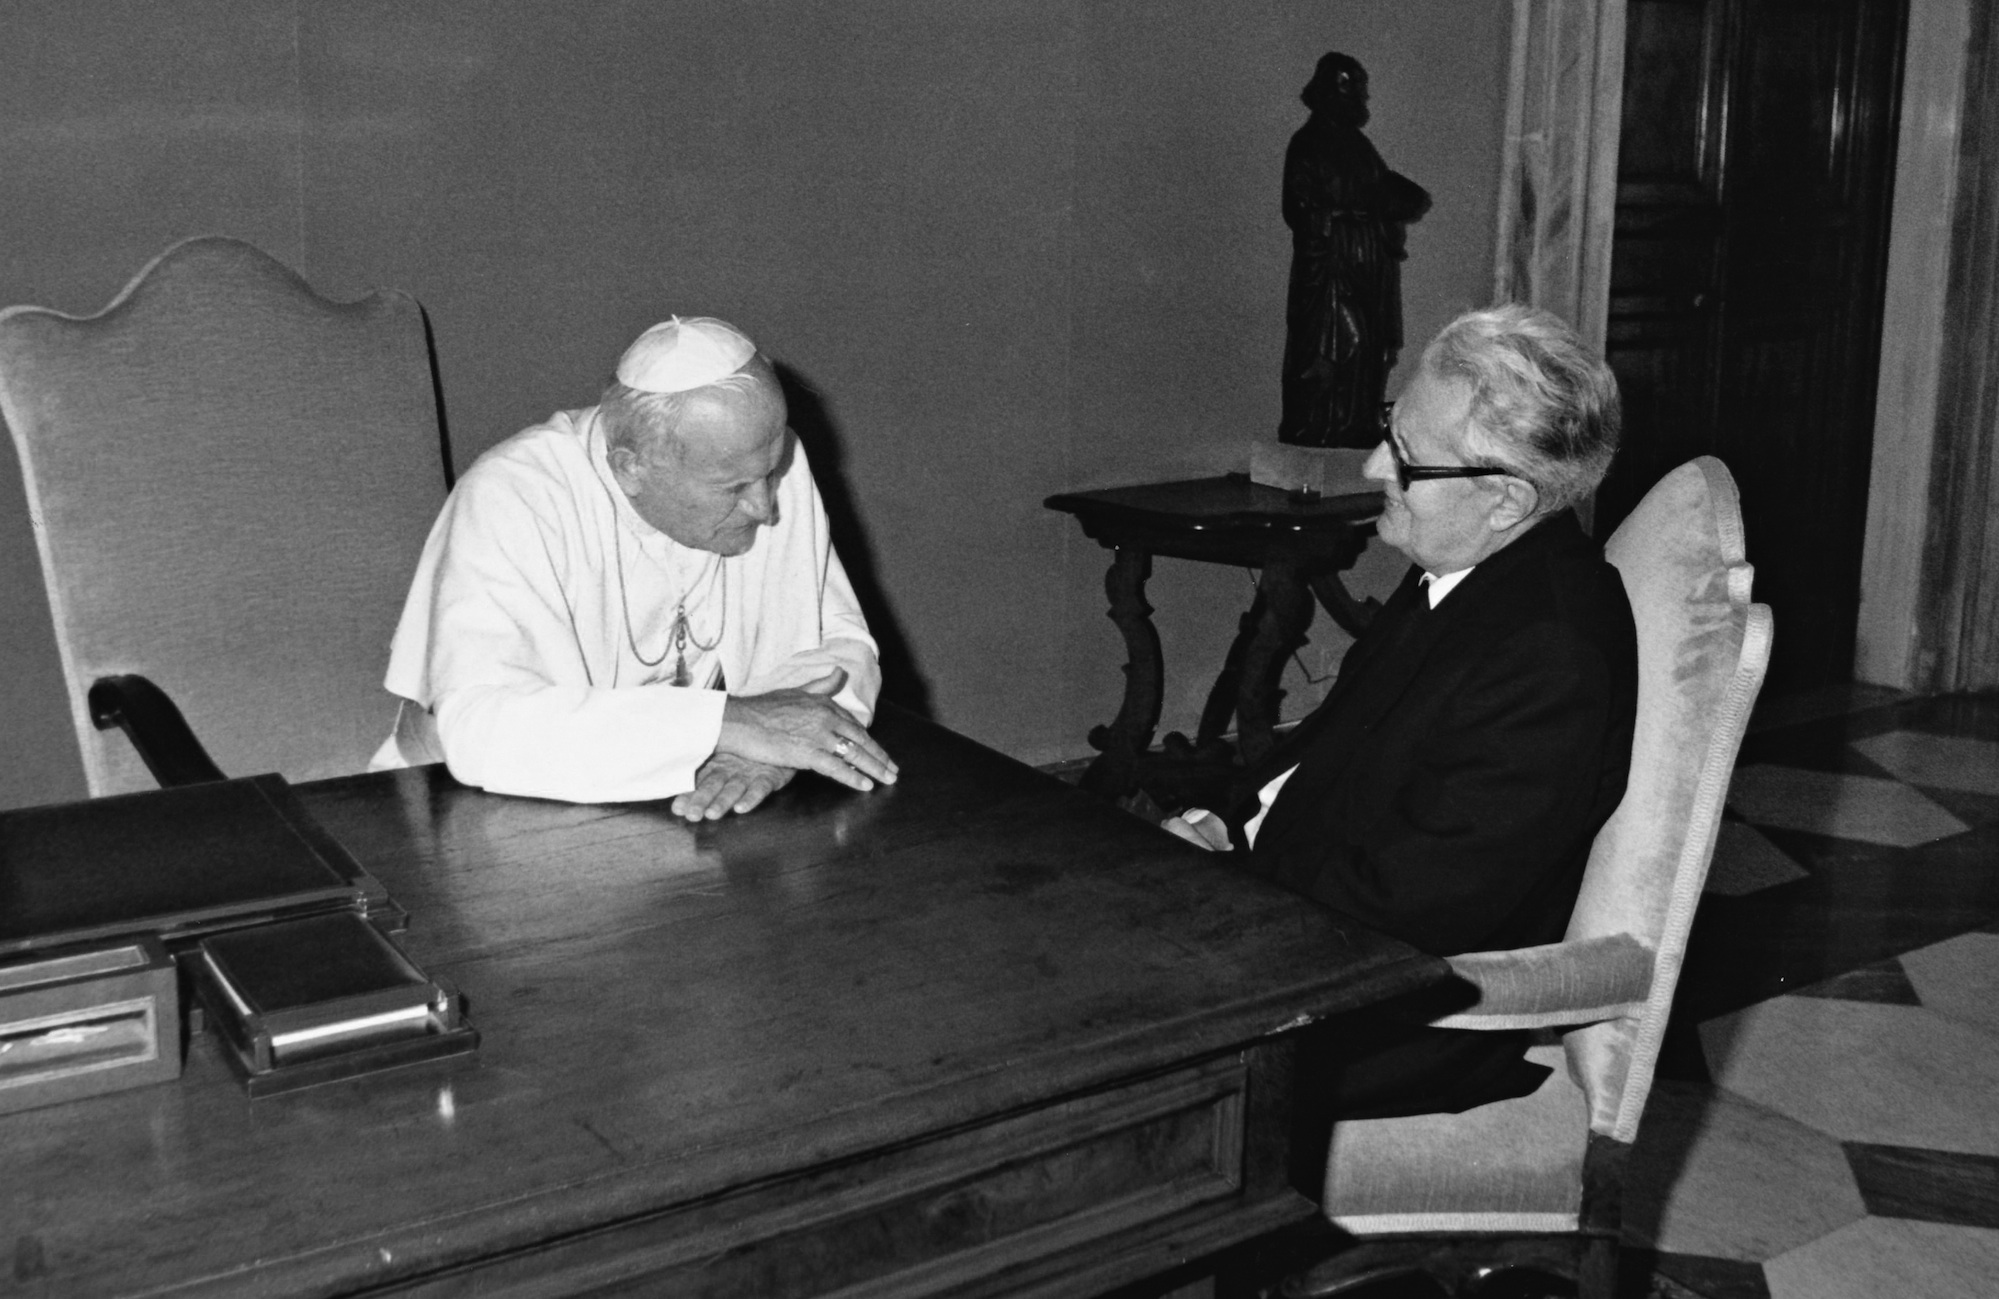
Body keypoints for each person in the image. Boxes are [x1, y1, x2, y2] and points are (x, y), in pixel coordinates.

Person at [1168, 304, 1637, 1121]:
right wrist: (1224, 820)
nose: (1376, 465)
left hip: (1376, 1024)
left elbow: (1409, 907)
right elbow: (1323, 755)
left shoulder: (1547, 655)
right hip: (1301, 923)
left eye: (1409, 459)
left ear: (1504, 498)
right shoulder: (1465, 570)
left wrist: (1221, 887)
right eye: (1391, 428)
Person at [371, 316, 897, 819]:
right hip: (466, 811)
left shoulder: (761, 463)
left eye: (772, 470)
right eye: (733, 489)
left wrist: (767, 750)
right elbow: (483, 732)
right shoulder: (514, 495)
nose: (765, 507)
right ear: (632, 468)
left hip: (680, 806)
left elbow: (837, 644)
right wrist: (731, 724)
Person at [1278, 51, 1431, 449]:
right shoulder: (1307, 143)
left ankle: (1355, 427)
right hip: (1332, 267)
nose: (1362, 102)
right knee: (1342, 346)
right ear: (1332, 94)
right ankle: (1317, 429)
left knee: (1373, 347)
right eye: (1355, 93)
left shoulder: (1359, 146)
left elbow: (1381, 190)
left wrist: (1397, 202)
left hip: (1368, 264)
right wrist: (1345, 215)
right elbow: (1298, 206)